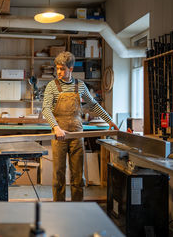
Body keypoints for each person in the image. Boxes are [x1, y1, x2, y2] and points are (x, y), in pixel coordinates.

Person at [42, 51, 118, 202]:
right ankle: (59, 205)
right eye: (57, 68)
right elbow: (45, 108)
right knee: (58, 173)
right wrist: (56, 127)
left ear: (70, 69)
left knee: (78, 175)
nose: (58, 72)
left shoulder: (80, 86)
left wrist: (109, 121)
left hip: (77, 134)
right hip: (59, 134)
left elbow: (93, 105)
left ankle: (78, 206)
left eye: (62, 69)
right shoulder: (52, 86)